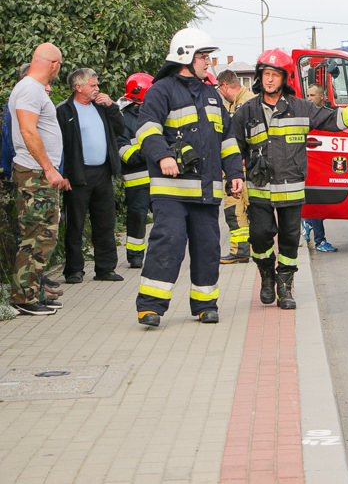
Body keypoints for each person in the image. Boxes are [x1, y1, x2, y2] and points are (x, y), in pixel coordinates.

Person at [233, 49, 348, 309]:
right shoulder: (246, 111)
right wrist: (234, 174)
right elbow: (233, 147)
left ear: (284, 78)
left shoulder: (301, 108)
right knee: (259, 237)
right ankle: (267, 275)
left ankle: (285, 287)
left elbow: (335, 120)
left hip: (291, 190)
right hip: (259, 190)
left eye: (274, 75)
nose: (269, 80)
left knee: (290, 240)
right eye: (266, 74)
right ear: (259, 77)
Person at [134, 27, 244, 327]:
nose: (208, 63)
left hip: (206, 191)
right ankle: (150, 307)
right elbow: (146, 128)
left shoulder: (210, 94)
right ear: (185, 55)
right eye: (203, 57)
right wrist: (164, 155)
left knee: (207, 249)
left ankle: (205, 304)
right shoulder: (161, 90)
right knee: (167, 245)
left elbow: (227, 138)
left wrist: (235, 172)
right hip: (171, 191)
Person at [8, 43, 69, 315]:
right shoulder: (30, 90)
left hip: (38, 173)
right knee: (36, 237)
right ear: (54, 65)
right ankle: (24, 299)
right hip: (34, 173)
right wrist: (49, 168)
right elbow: (28, 131)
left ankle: (33, 292)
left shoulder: (32, 90)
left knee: (43, 237)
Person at [56, 68, 125, 284]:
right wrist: (63, 174)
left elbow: (120, 129)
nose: (97, 89)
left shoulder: (102, 107)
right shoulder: (64, 110)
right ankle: (74, 269)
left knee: (105, 222)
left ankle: (105, 268)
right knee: (75, 224)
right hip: (77, 173)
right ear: (78, 87)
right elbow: (58, 145)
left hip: (102, 172)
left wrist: (112, 107)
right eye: (92, 85)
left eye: (97, 85)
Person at [217, 69, 254, 264]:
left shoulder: (244, 104)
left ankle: (242, 250)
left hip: (243, 169)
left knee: (239, 209)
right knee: (236, 211)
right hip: (240, 169)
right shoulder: (239, 103)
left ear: (224, 85)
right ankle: (241, 250)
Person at [117, 73, 153, 268]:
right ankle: (135, 255)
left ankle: (159, 253)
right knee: (137, 218)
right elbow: (123, 150)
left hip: (158, 178)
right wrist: (149, 152)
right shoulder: (123, 118)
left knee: (165, 219)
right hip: (137, 180)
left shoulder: (156, 114)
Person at [300, 83, 337, 252]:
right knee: (316, 200)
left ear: (322, 97)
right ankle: (320, 241)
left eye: (312, 95)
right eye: (307, 95)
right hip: (311, 162)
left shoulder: (328, 114)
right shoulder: (304, 115)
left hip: (326, 163)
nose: (308, 99)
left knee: (315, 200)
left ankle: (307, 222)